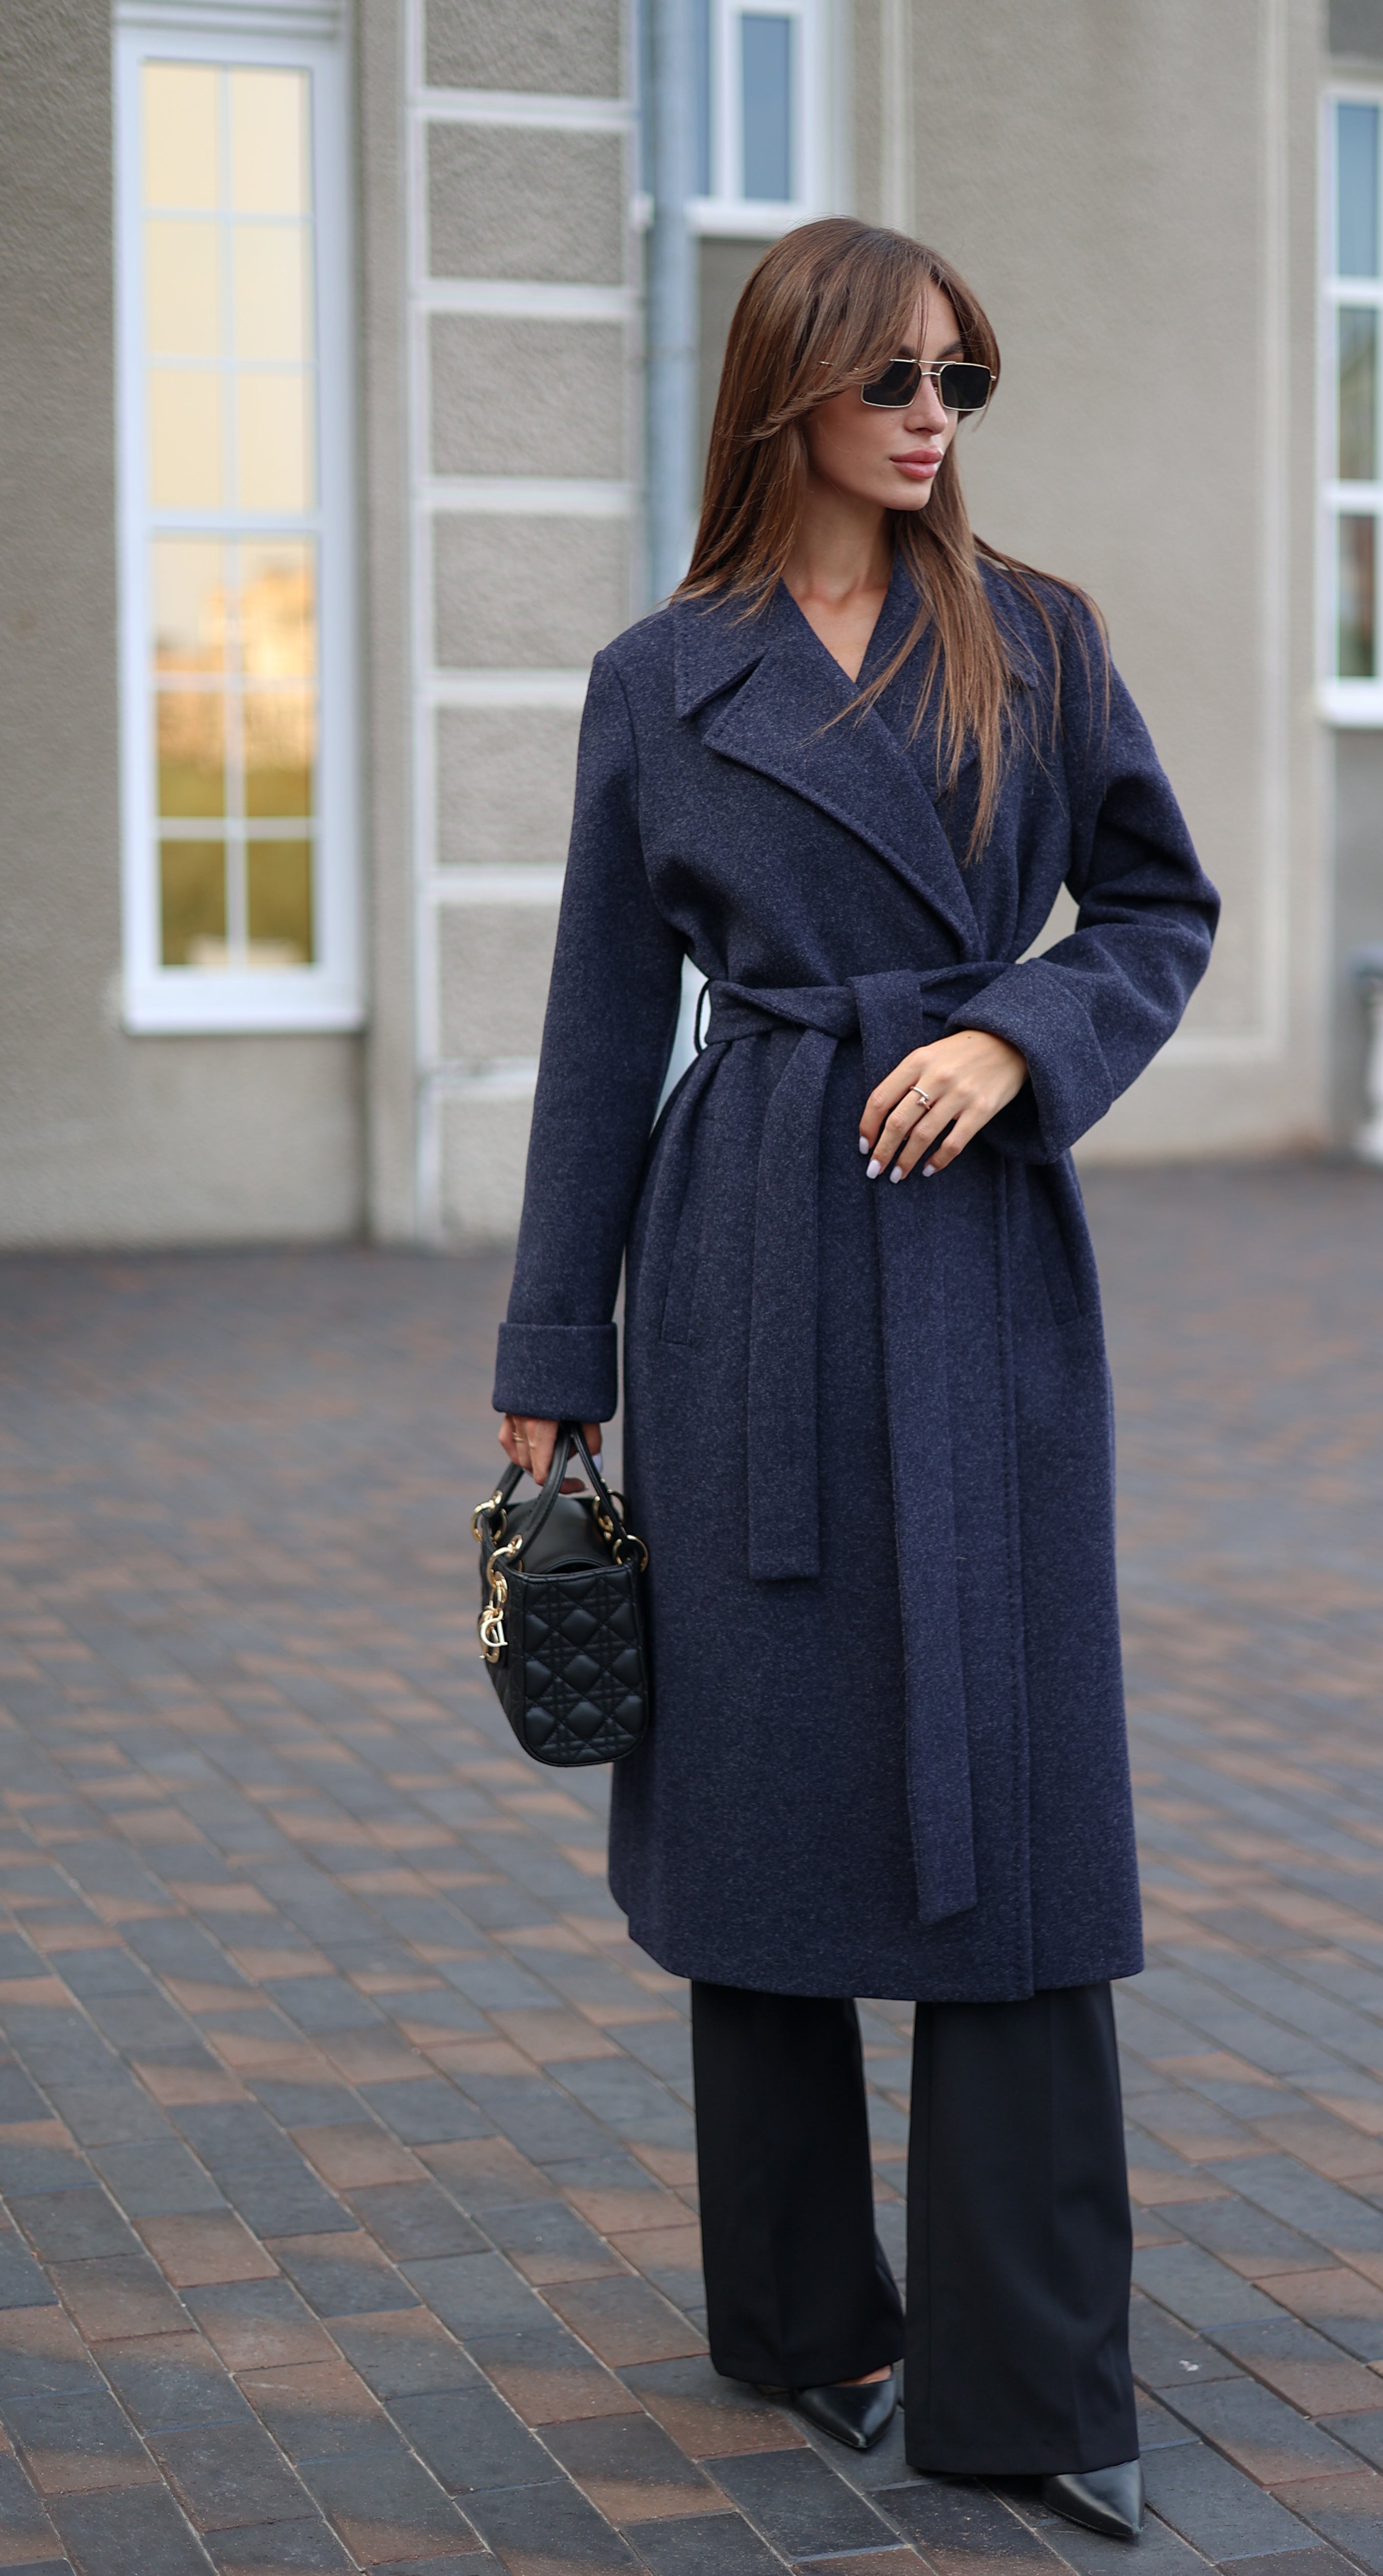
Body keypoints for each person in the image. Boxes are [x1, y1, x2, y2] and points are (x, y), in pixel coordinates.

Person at [492, 216, 1219, 2545]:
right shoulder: (658, 680)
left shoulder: (1038, 639)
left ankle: (1035, 2368)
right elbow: (600, 1030)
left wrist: (1021, 1037)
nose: (931, 417)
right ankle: (807, 2312)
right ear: (785, 390)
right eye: (894, 376)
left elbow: (1155, 910)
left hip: (975, 1255)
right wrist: (553, 1354)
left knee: (1019, 1803)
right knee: (768, 1791)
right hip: (749, 1268)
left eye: (959, 379)